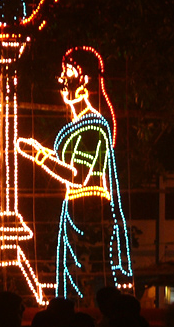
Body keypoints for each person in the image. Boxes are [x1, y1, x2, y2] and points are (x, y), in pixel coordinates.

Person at [17, 47, 132, 298]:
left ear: (85, 80)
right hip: (74, 210)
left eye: (68, 72)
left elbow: (78, 177)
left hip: (89, 212)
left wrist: (39, 155)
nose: (61, 79)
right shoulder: (78, 124)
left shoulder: (93, 126)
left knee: (90, 282)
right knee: (70, 283)